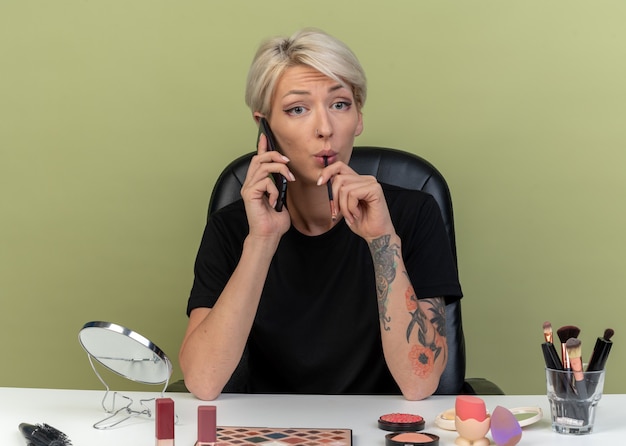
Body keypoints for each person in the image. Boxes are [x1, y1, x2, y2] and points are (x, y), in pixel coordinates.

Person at [179, 28, 462, 401]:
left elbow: (419, 381)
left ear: (359, 116)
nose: (325, 128)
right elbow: (202, 381)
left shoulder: (413, 213)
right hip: (268, 430)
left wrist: (382, 241)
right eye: (298, 109)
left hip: (381, 428)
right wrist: (261, 241)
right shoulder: (232, 228)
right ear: (265, 127)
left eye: (340, 104)